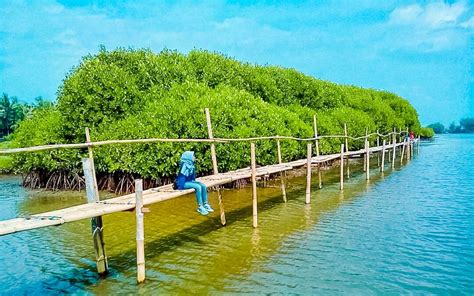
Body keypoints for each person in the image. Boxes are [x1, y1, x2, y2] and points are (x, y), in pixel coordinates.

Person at [176, 151, 214, 215]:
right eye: (193, 156)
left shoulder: (191, 164)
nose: (194, 157)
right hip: (182, 183)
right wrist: (181, 186)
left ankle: (205, 204)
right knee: (198, 187)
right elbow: (181, 177)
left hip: (189, 181)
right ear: (188, 157)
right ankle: (200, 207)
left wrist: (194, 182)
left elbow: (192, 177)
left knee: (203, 185)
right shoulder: (184, 165)